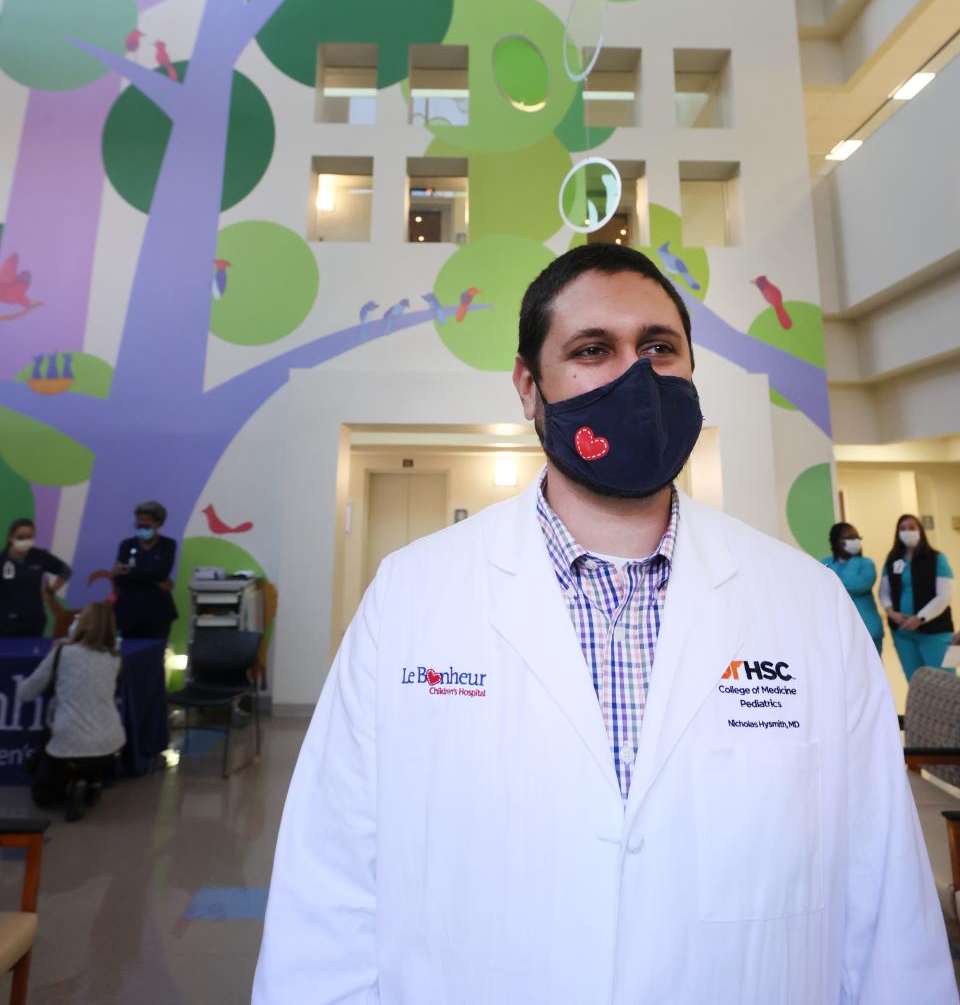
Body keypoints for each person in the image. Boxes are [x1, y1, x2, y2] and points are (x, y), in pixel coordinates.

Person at [253, 244, 956, 1004]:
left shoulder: (806, 605)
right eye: (593, 350)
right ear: (530, 389)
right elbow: (328, 892)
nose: (635, 376)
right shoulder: (412, 595)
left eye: (659, 348)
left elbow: (884, 901)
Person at [18, 601, 126, 822]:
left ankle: (76, 781)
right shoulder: (115, 659)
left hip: (69, 741)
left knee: (43, 796)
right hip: (110, 743)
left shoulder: (63, 653)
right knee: (87, 747)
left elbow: (26, 693)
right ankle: (91, 780)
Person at [879, 513, 954, 682]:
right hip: (903, 631)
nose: (907, 532)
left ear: (920, 531)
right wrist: (892, 613)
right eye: (903, 529)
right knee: (915, 682)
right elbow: (884, 591)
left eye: (912, 528)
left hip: (935, 630)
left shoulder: (936, 558)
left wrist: (919, 618)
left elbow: (945, 595)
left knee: (945, 682)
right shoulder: (893, 559)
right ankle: (921, 710)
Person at [111, 501, 178, 641]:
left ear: (158, 523)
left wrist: (129, 571)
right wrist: (154, 581)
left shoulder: (168, 545)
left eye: (146, 524)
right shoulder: (127, 545)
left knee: (155, 656)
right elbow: (120, 578)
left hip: (158, 613)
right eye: (139, 523)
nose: (142, 527)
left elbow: (162, 573)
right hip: (127, 612)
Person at [0, 518, 71, 638]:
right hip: (6, 622)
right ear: (11, 538)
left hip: (34, 619)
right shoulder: (2, 561)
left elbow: (65, 571)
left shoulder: (39, 556)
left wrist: (51, 591)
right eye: (20, 537)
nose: (25, 541)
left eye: (29, 537)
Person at [821, 521, 884, 654]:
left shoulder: (866, 564)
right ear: (835, 541)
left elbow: (860, 585)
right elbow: (820, 590)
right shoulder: (824, 563)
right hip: (836, 631)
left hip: (868, 629)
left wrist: (834, 582)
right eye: (849, 538)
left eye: (856, 537)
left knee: (871, 673)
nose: (854, 541)